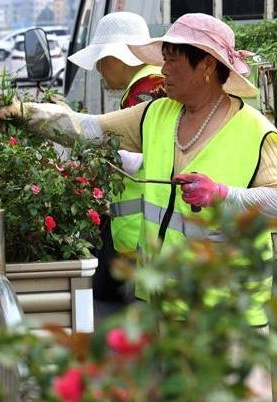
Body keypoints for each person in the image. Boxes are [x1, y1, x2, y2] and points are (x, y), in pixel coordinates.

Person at [0, 13, 277, 327]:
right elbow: (88, 129)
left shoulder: (255, 131)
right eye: (163, 60)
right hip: (163, 308)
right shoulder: (157, 113)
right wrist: (24, 113)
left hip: (226, 318)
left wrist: (222, 195)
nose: (163, 69)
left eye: (173, 61)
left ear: (207, 65)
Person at [66, 11, 166, 307]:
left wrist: (99, 151)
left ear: (119, 57)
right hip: (141, 236)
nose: (98, 68)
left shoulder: (148, 95)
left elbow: (142, 159)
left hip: (146, 236)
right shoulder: (140, 91)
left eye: (101, 59)